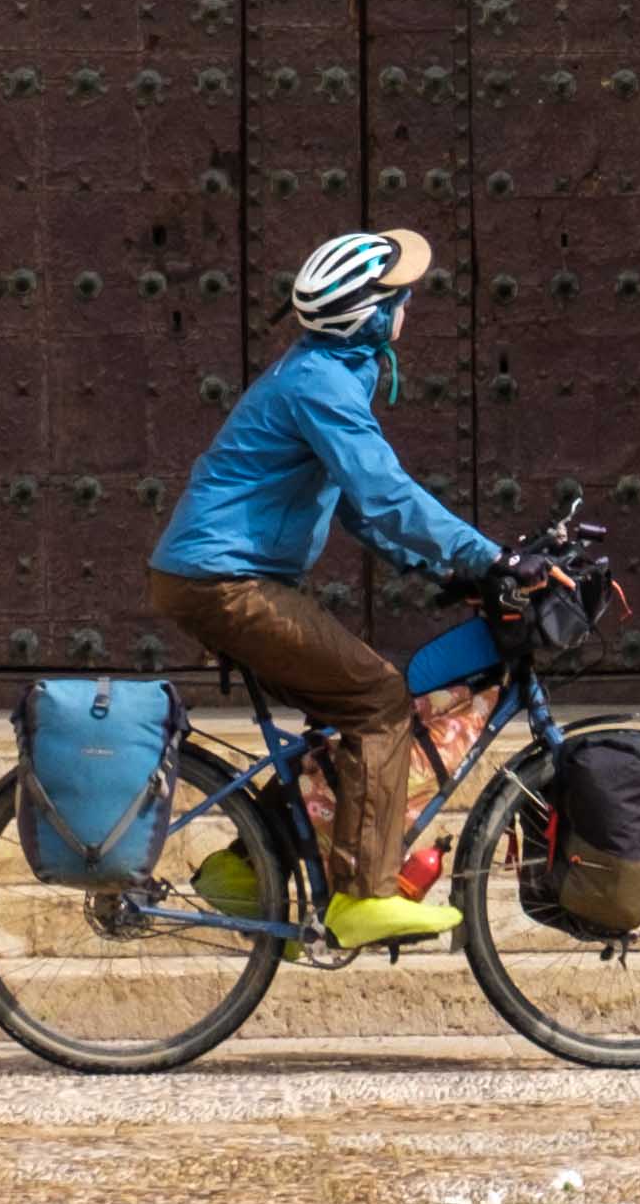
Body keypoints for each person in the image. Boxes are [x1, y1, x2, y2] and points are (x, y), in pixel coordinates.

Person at [148, 228, 502, 948]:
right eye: (398, 296)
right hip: (223, 581)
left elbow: (357, 509)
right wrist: (492, 559)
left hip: (220, 578)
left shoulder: (324, 372)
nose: (408, 304)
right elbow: (383, 492)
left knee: (344, 709)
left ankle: (254, 868)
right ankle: (364, 897)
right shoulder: (322, 384)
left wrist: (448, 571)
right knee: (377, 700)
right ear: (370, 316)